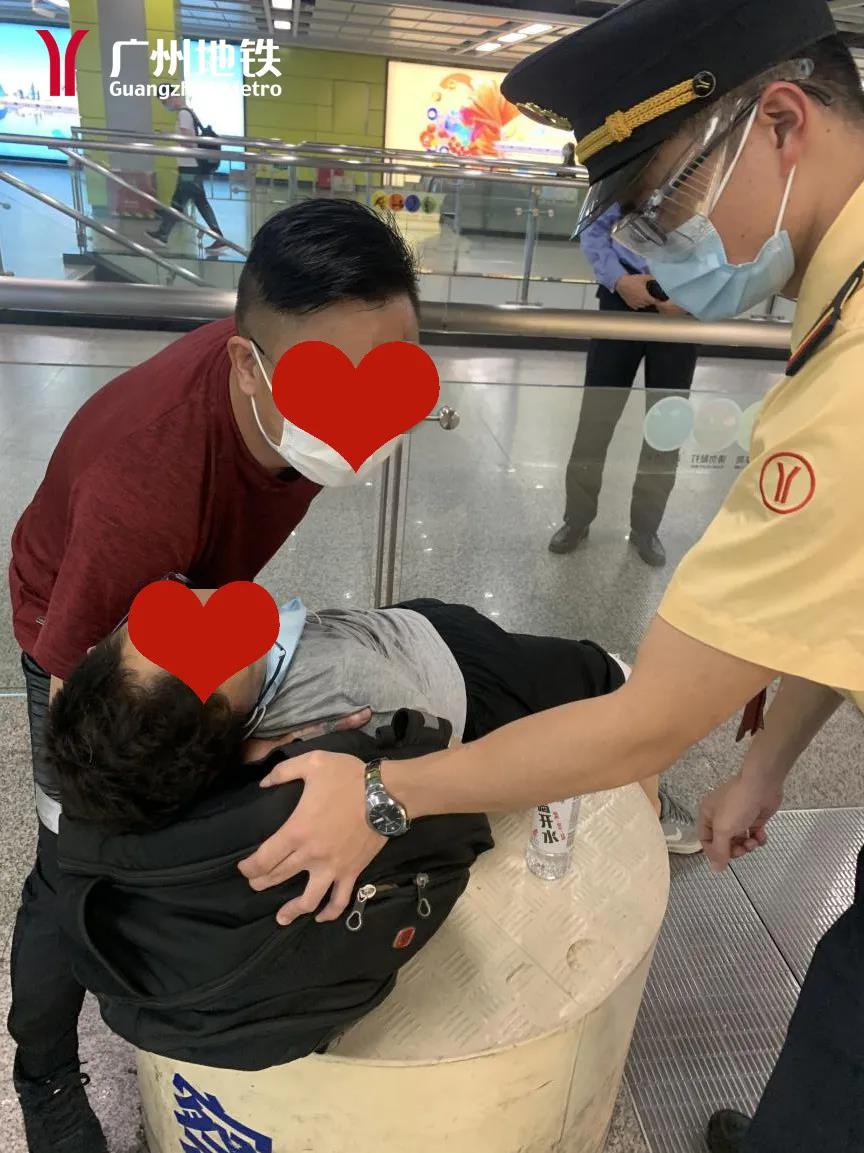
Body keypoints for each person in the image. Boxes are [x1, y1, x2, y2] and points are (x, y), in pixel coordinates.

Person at [234, 4, 864, 1152]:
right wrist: (770, 763)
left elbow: (644, 726)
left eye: (662, 206)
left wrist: (384, 796)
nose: (649, 253)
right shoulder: (844, 302)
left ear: (782, 123)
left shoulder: (849, 384)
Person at [7, 199, 418, 1153]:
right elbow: (82, 705)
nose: (365, 415)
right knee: (74, 857)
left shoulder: (288, 376)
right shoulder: (142, 489)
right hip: (88, 639)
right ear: (247, 364)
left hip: (196, 606)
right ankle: (45, 1071)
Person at [47, 588, 699, 852]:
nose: (206, 601)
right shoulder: (328, 722)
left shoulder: (204, 714)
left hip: (405, 628)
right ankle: (650, 817)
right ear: (226, 726)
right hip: (475, 685)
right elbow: (439, 773)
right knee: (599, 675)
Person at [548, 202, 698, 567]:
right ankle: (577, 518)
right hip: (621, 296)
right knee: (596, 417)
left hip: (681, 304)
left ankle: (646, 528)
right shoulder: (630, 172)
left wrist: (693, 293)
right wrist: (618, 280)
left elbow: (725, 242)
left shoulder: (711, 179)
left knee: (666, 424)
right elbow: (594, 228)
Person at [146, 93, 229, 254]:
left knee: (178, 203)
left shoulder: (184, 114)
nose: (165, 105)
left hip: (189, 166)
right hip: (190, 166)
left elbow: (188, 142)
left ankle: (163, 234)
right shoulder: (187, 112)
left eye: (164, 101)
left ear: (172, 97)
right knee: (197, 202)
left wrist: (169, 136)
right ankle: (218, 238)